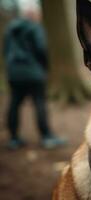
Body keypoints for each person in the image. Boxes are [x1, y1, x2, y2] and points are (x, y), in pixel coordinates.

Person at [3, 8, 66, 150]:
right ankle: (46, 137)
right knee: (39, 103)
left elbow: (6, 51)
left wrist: (11, 69)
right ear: (33, 16)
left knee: (14, 103)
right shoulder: (35, 27)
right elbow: (41, 49)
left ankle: (13, 138)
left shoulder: (10, 29)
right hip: (34, 72)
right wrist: (45, 68)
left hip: (14, 73)